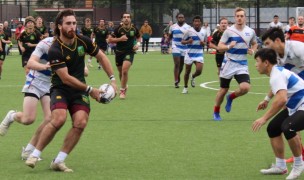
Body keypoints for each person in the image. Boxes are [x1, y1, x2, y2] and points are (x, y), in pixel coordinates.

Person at [24, 9, 117, 172]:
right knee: (59, 119)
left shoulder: (83, 41)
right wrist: (90, 90)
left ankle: (59, 161)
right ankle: (35, 153)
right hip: (60, 88)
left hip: (79, 90)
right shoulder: (54, 49)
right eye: (68, 23)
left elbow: (101, 57)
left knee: (81, 122)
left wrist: (113, 80)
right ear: (60, 26)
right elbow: (65, 78)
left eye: (74, 23)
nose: (72, 26)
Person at [252, 48, 304, 180]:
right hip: (297, 106)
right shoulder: (276, 72)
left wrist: (263, 118)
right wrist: (266, 99)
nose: (255, 65)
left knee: (288, 127)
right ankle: (281, 167)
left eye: (257, 61)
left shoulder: (276, 75)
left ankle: (299, 164)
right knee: (273, 128)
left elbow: (281, 100)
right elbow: (277, 88)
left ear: (266, 63)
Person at [0, 37, 53, 161]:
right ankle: (11, 116)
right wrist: (45, 66)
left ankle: (28, 150)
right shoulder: (45, 43)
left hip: (49, 85)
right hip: (34, 81)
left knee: (50, 118)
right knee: (28, 119)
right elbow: (30, 63)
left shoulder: (70, 45)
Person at [261, 27, 304, 163]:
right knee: (289, 121)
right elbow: (278, 82)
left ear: (278, 40)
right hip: (297, 90)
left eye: (268, 43)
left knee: (291, 122)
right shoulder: (277, 58)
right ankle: (300, 155)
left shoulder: (298, 48)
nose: (266, 47)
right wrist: (267, 98)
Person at [212, 7, 258, 121]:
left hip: (242, 63)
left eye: (242, 16)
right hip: (229, 63)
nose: (239, 18)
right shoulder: (229, 31)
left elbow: (254, 43)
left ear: (245, 17)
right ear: (235, 17)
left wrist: (253, 50)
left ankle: (231, 97)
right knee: (223, 89)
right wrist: (229, 46)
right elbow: (220, 47)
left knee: (245, 88)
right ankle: (216, 112)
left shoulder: (250, 31)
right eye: (237, 16)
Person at [108, 12, 140, 99]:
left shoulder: (134, 28)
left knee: (125, 71)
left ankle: (122, 91)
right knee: (120, 72)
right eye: (124, 17)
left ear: (130, 19)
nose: (126, 18)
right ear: (122, 19)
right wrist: (120, 39)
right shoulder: (118, 29)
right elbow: (109, 40)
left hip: (130, 52)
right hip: (119, 53)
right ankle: (125, 85)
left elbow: (139, 37)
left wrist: (137, 44)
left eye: (128, 17)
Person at [180, 15, 206, 94]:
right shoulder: (188, 31)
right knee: (187, 71)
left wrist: (203, 44)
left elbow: (205, 43)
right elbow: (182, 41)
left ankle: (193, 76)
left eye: (198, 21)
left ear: (200, 23)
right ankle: (185, 87)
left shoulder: (204, 31)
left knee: (199, 71)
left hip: (199, 53)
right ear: (193, 23)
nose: (197, 23)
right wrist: (188, 41)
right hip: (189, 54)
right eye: (195, 21)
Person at [168, 13, 191, 88]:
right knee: (177, 64)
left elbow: (190, 37)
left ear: (184, 18)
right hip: (176, 46)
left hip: (185, 48)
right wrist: (169, 45)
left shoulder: (188, 27)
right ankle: (176, 81)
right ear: (177, 18)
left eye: (182, 17)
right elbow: (170, 36)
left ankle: (178, 76)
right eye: (179, 17)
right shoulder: (172, 27)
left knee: (181, 65)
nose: (181, 18)